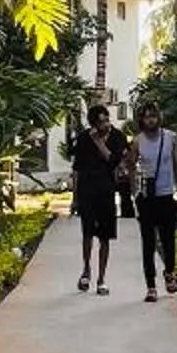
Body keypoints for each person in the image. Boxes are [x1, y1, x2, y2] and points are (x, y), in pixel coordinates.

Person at [67, 102, 123, 294]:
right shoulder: (83, 139)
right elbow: (77, 170)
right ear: (93, 124)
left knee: (105, 237)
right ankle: (86, 271)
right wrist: (74, 198)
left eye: (107, 119)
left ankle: (101, 279)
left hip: (106, 193)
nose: (105, 123)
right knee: (87, 234)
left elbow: (113, 160)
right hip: (87, 192)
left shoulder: (116, 137)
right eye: (100, 121)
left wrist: (100, 143)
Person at [131, 99, 177, 301]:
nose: (150, 120)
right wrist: (135, 194)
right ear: (141, 120)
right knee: (148, 243)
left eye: (153, 116)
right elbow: (130, 167)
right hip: (147, 198)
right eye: (146, 117)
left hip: (167, 196)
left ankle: (169, 273)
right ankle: (150, 286)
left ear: (159, 117)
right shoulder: (137, 141)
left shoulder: (171, 138)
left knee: (168, 239)